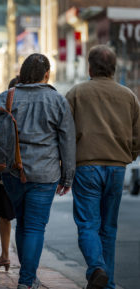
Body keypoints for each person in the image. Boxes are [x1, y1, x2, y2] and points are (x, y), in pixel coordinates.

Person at [0, 53, 76, 289]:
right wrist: (68, 176)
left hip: (13, 173)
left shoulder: (8, 96)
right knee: (34, 226)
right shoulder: (58, 101)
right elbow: (67, 141)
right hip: (45, 175)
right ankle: (26, 281)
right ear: (47, 75)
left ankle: (28, 278)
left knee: (23, 224)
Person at [65, 45, 140, 289]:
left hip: (87, 165)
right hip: (117, 167)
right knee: (109, 228)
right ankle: (107, 282)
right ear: (114, 68)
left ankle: (97, 267)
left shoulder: (77, 93)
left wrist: (65, 165)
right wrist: (128, 156)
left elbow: (65, 133)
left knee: (88, 224)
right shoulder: (129, 96)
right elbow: (137, 135)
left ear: (90, 67)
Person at [0, 76, 19, 272]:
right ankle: (12, 257)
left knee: (5, 217)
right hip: (24, 169)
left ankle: (6, 255)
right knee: (23, 218)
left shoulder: (3, 104)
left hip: (4, 169)